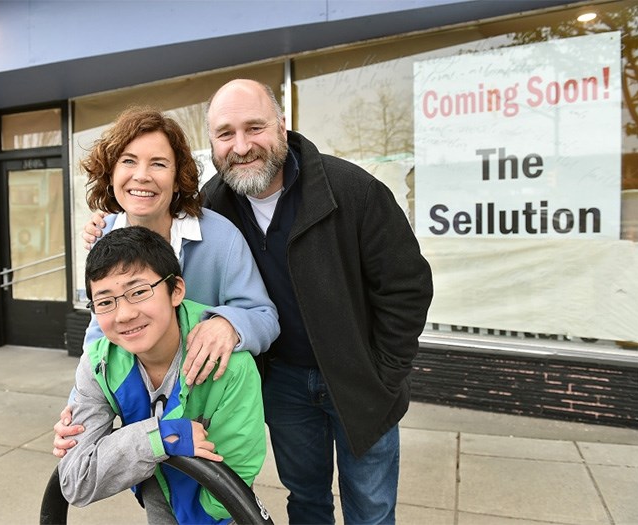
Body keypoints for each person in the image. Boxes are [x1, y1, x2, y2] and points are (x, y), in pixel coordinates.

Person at [67, 80, 433, 523]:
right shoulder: (215, 201)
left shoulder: (349, 190)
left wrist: (386, 372)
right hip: (283, 383)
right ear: (212, 145)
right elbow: (102, 334)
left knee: (370, 507)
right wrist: (80, 416)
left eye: (254, 128)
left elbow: (407, 285)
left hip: (360, 380)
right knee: (307, 499)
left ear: (281, 125)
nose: (241, 146)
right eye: (225, 134)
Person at [53, 107, 278, 455]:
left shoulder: (220, 237)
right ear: (111, 172)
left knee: (214, 506)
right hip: (145, 414)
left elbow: (264, 316)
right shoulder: (104, 237)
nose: (141, 176)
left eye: (158, 163)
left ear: (177, 178)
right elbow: (99, 336)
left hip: (209, 414)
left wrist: (229, 324)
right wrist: (76, 413)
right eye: (128, 161)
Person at [58, 225, 266, 524]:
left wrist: (201, 515)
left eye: (139, 292)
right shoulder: (99, 364)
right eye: (105, 301)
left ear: (176, 290)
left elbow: (237, 470)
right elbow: (76, 481)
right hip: (156, 491)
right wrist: (161, 437)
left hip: (221, 511)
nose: (124, 314)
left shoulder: (228, 363)